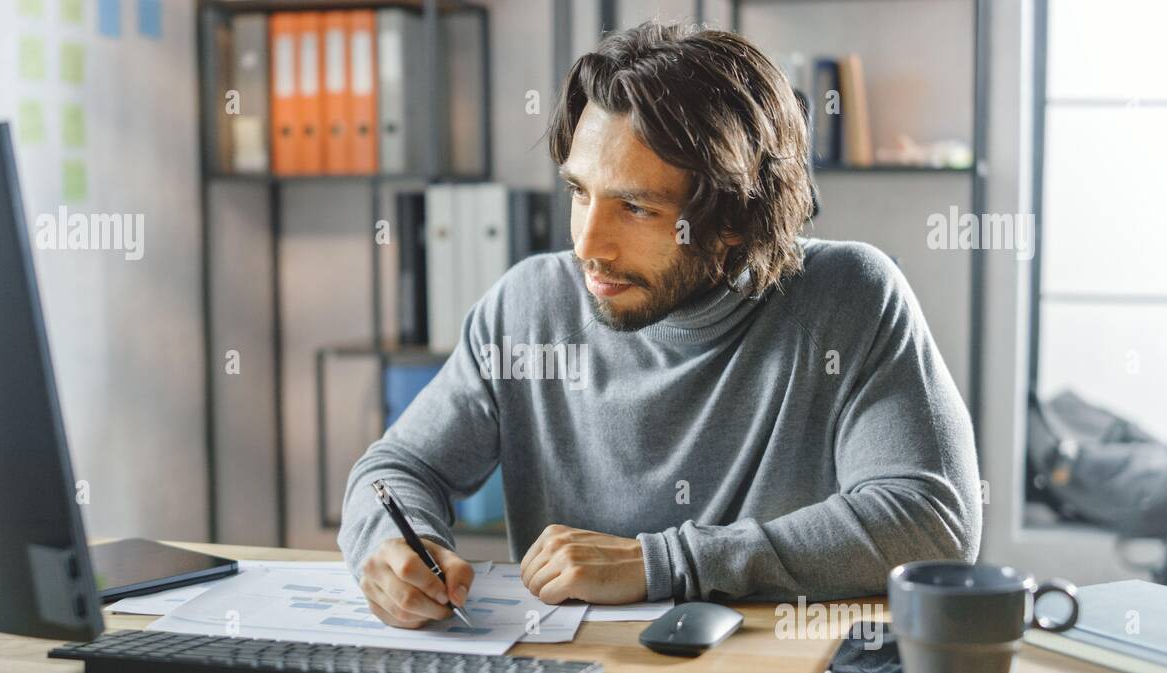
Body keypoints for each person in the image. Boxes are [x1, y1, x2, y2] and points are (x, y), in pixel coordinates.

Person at [337, 21, 981, 628]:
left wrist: (665, 564)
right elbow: (398, 469)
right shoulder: (526, 308)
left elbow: (931, 523)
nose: (589, 245)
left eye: (636, 207)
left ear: (736, 217)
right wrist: (395, 542)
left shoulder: (849, 299)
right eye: (579, 192)